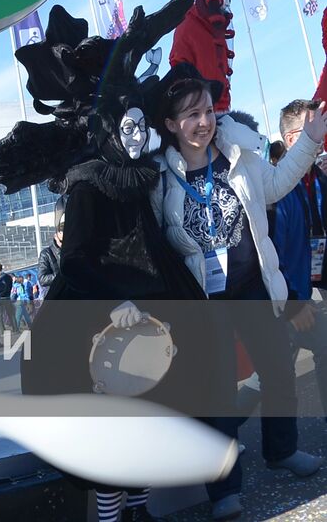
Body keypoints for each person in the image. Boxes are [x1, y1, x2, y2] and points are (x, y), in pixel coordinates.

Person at [0, 0, 216, 522]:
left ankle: (141, 511)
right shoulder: (88, 183)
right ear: (108, 128)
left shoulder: (147, 174)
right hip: (102, 320)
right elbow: (78, 258)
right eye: (125, 127)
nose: (135, 136)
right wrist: (115, 304)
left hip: (158, 310)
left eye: (140, 125)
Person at [151, 64, 325, 519]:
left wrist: (309, 142)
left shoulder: (240, 156)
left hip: (251, 286)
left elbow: (277, 183)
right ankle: (224, 487)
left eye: (207, 110)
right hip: (203, 301)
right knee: (217, 393)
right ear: (171, 124)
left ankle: (281, 449)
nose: (203, 121)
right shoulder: (159, 177)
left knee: (279, 370)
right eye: (190, 114)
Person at [273, 101, 327, 422]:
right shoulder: (279, 189)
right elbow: (271, 255)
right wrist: (293, 302)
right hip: (288, 299)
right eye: (314, 127)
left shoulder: (315, 179)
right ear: (293, 139)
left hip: (308, 286)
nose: (322, 135)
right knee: (271, 373)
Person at [169, 0, 235, 113]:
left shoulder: (216, 31)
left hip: (220, 109)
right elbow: (179, 63)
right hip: (200, 110)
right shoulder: (189, 25)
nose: (228, 2)